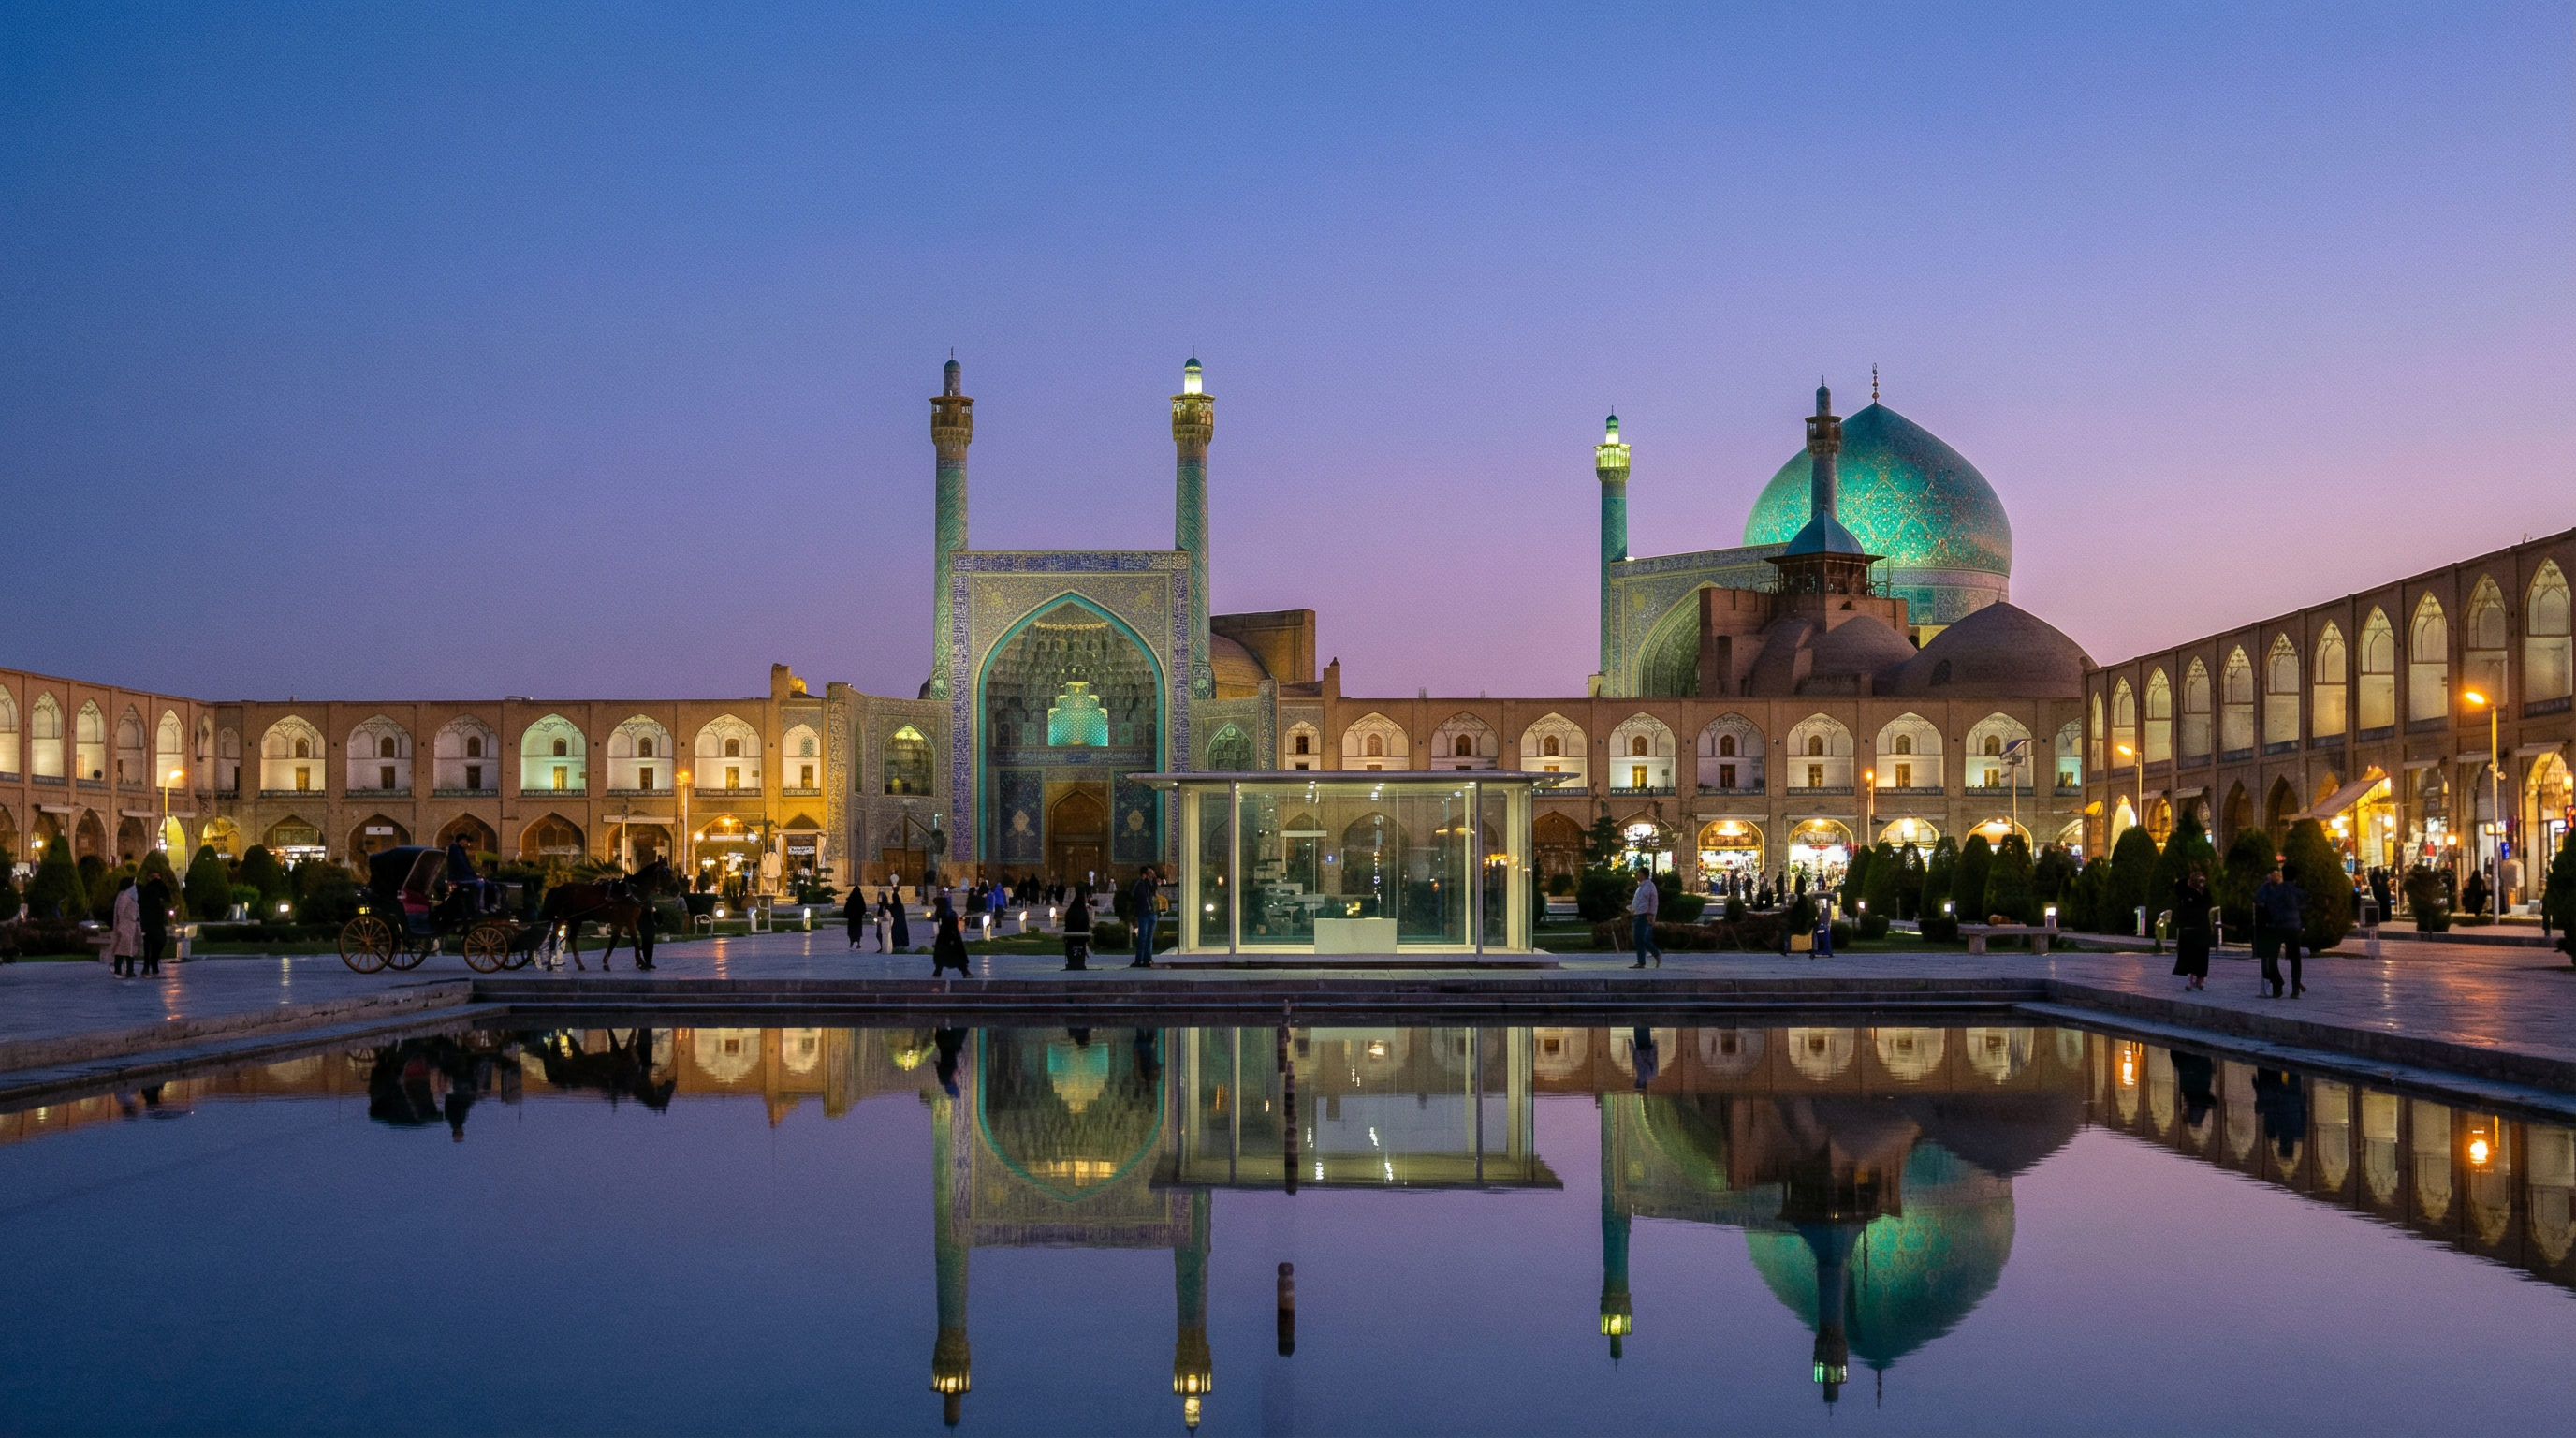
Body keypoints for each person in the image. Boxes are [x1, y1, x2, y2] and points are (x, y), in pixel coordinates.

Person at [2253, 862, 2307, 998]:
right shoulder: (2297, 891)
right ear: (2295, 877)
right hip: (2293, 927)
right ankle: (2295, 990)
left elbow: (2261, 901)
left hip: (2276, 927)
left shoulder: (2275, 890)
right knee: (2295, 960)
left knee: (2272, 958)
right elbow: (2305, 902)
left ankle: (2277, 986)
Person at [2170, 868, 2213, 991]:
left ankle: (2200, 979)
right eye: (2198, 881)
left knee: (2202, 956)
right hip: (2188, 929)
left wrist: (2194, 896)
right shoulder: (2185, 892)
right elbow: (2179, 886)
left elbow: (2205, 906)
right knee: (2189, 956)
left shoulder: (2205, 893)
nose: (2201, 884)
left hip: (2202, 929)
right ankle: (2190, 979)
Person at [137, 868, 172, 976]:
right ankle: (147, 967)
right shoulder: (145, 889)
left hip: (157, 920)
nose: (155, 879)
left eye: (157, 877)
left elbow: (168, 901)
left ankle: (153, 964)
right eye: (153, 877)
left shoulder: (161, 887)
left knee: (160, 941)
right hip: (148, 921)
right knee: (148, 944)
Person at [1628, 868, 1661, 969]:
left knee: (1641, 938)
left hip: (1644, 915)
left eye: (1638, 874)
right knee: (1640, 939)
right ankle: (1641, 961)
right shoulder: (1641, 887)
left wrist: (1651, 914)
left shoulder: (1649, 886)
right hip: (1638, 914)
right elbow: (1638, 901)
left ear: (1643, 874)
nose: (1637, 876)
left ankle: (1655, 953)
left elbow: (1653, 901)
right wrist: (1631, 908)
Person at [108, 875, 140, 978]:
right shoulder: (124, 896)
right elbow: (120, 911)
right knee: (122, 949)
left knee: (130, 950)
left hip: (132, 925)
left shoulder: (131, 896)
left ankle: (130, 970)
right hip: (125, 925)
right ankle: (119, 970)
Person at [930, 891, 970, 976]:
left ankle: (964, 971)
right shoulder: (948, 912)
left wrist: (952, 938)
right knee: (954, 955)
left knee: (948, 955)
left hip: (949, 938)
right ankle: (964, 971)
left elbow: (949, 925)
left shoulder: (946, 914)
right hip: (950, 937)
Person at [1129, 867, 1162, 967]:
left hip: (1152, 913)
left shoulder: (1150, 883)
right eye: (1149, 872)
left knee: (1149, 938)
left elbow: (1153, 891)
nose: (1151, 874)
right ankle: (1139, 960)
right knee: (1142, 938)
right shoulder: (1140, 883)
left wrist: (1155, 879)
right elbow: (1133, 893)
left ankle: (1148, 959)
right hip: (1143, 914)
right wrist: (1142, 880)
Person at [1063, 881, 1093, 971]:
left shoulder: (1073, 907)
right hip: (1078, 936)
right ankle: (1078, 963)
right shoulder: (1080, 908)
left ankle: (1073, 962)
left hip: (1073, 936)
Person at [843, 884, 868, 950]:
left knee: (852, 931)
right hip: (858, 918)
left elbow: (847, 908)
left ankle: (851, 942)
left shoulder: (851, 898)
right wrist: (861, 913)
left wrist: (847, 914)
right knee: (858, 930)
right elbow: (864, 908)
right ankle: (858, 943)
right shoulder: (860, 898)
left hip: (852, 918)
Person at [890, 886, 912, 954]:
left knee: (896, 933)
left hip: (896, 923)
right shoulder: (900, 906)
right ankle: (902, 943)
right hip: (901, 922)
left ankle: (897, 944)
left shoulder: (893, 906)